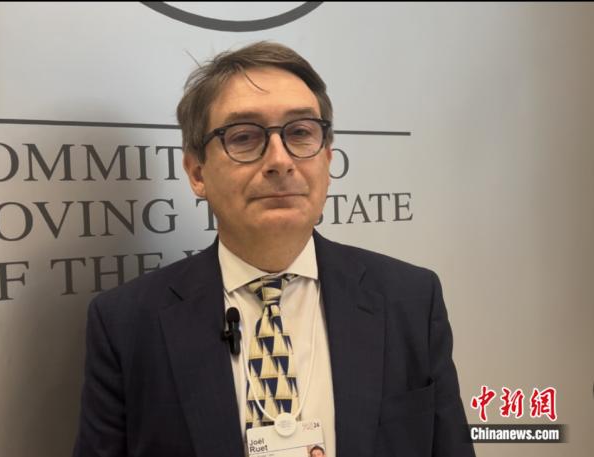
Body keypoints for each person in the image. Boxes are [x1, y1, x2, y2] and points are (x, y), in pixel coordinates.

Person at [73, 41, 475, 457]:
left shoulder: (410, 299)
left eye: (300, 132)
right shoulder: (127, 324)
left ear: (327, 159)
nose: (280, 160)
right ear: (197, 172)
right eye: (244, 137)